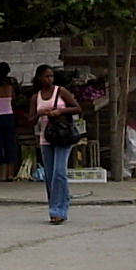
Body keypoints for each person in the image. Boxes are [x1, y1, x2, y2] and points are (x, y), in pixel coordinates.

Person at [28, 65, 81, 225]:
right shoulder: (35, 97)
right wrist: (39, 113)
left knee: (59, 172)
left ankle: (60, 210)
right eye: (46, 76)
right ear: (39, 78)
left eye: (51, 76)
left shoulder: (61, 91)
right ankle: (54, 209)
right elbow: (30, 120)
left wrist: (60, 112)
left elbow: (77, 108)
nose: (49, 79)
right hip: (47, 138)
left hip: (63, 136)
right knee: (50, 176)